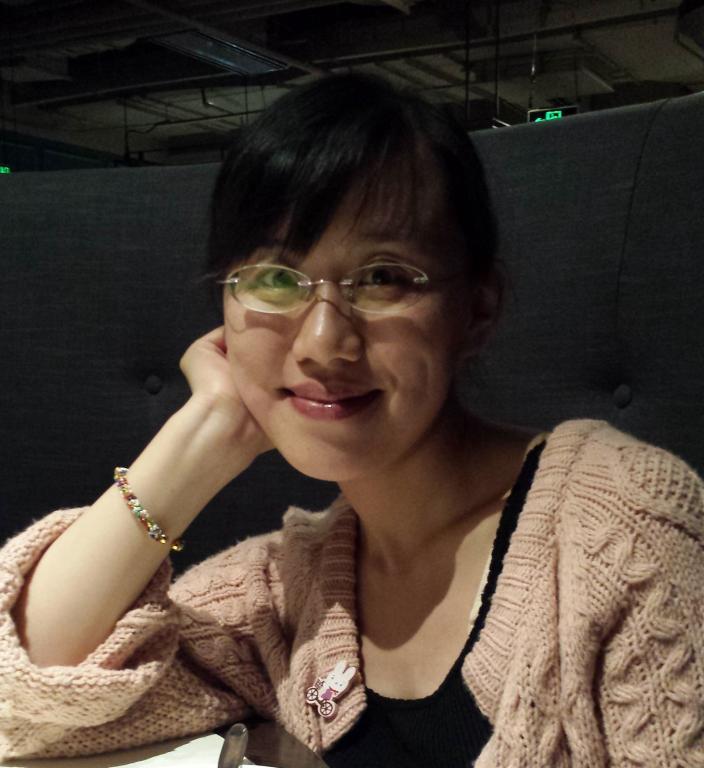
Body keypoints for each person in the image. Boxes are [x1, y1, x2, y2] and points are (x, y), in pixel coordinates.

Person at [0, 72, 702, 768]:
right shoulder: (288, 595)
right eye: (275, 279)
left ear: (478, 308)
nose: (322, 344)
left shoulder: (621, 529)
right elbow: (25, 705)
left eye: (383, 277)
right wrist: (204, 434)